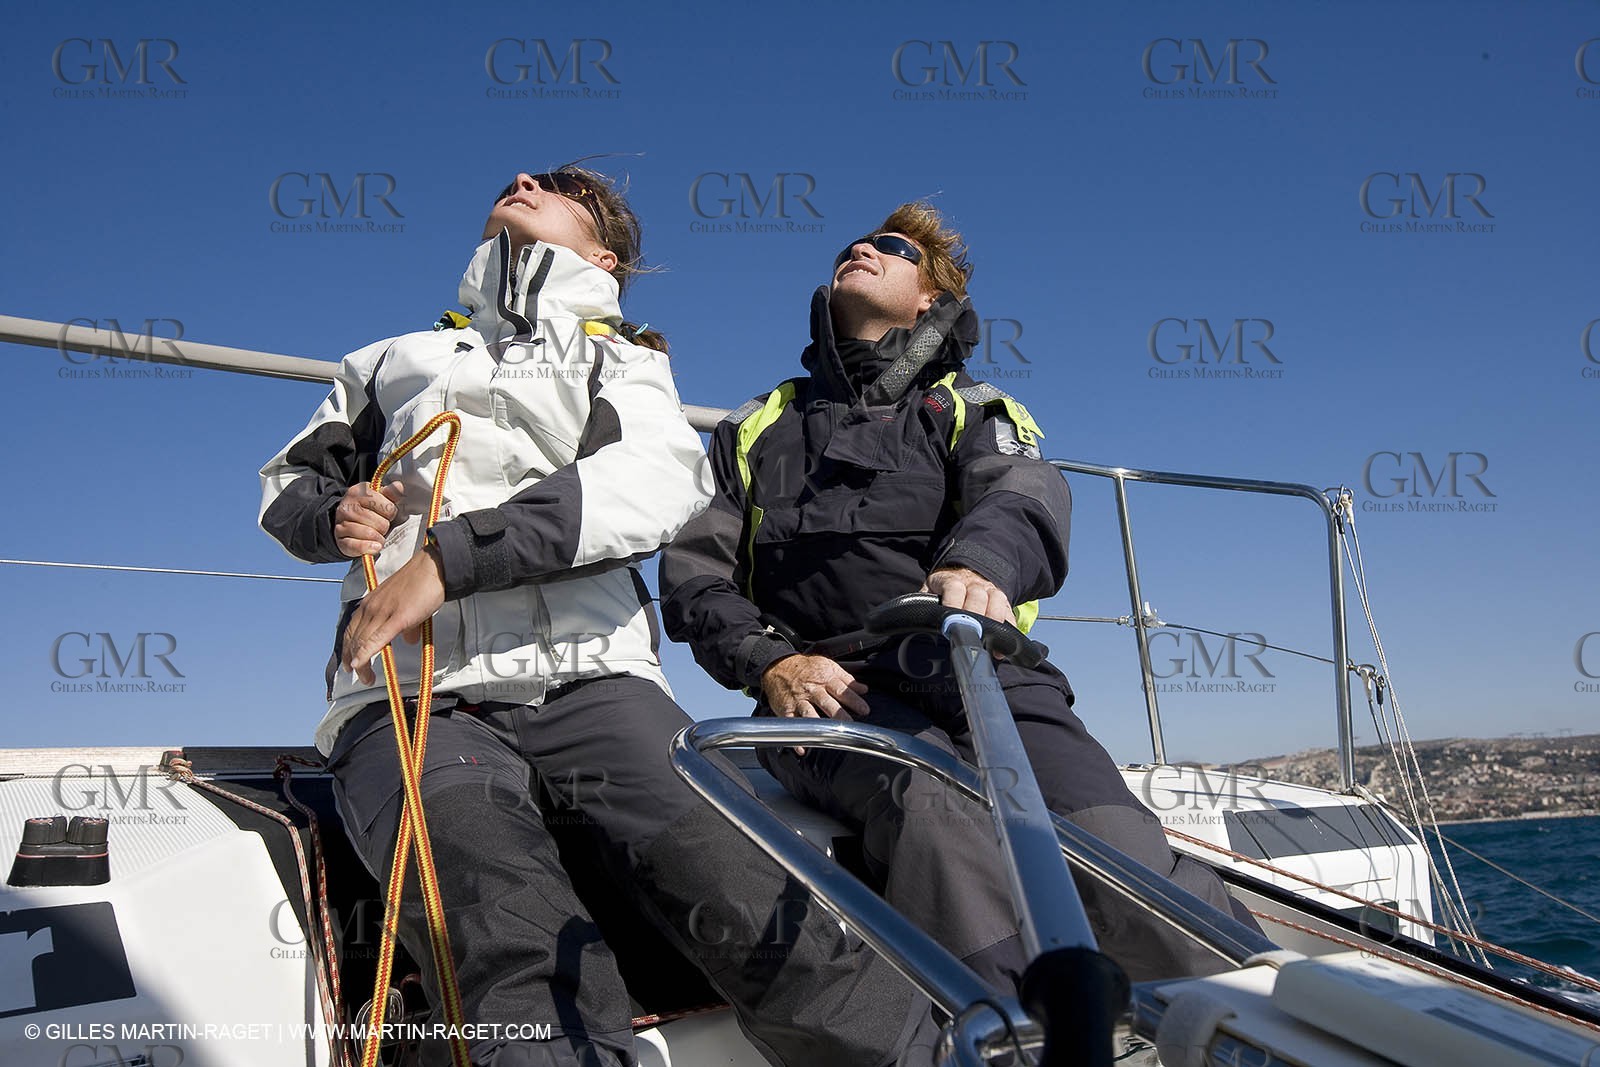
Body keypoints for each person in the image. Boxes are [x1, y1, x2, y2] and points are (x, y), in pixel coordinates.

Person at [259, 168, 928, 1067]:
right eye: (519, 179)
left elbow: (651, 480)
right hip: (414, 694)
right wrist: (329, 514)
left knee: (760, 899)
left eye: (561, 187)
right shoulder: (385, 361)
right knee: (498, 920)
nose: (524, 179)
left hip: (598, 682)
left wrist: (451, 561)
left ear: (603, 253)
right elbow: (287, 486)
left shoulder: (623, 359)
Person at [659, 201, 1260, 996]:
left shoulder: (971, 410)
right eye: (852, 245)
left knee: (1111, 837)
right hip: (834, 695)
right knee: (933, 810)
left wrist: (979, 566)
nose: (860, 250)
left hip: (984, 668)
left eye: (890, 246)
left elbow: (1022, 496)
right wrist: (771, 663)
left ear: (930, 300)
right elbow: (695, 574)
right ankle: (1018, 1035)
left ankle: (1264, 1020)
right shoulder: (754, 429)